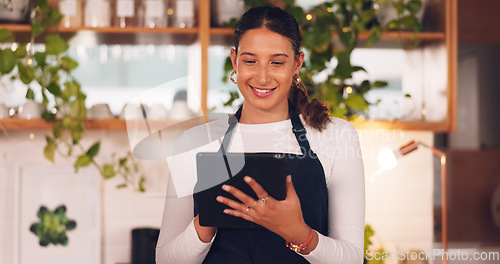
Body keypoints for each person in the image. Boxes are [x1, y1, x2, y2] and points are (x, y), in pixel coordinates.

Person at [156, 6, 365, 264]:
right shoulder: (196, 142)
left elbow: (352, 258)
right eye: (250, 61)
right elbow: (166, 259)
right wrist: (206, 223)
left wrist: (300, 234)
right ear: (235, 61)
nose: (263, 77)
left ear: (297, 64)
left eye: (277, 62)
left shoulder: (336, 136)